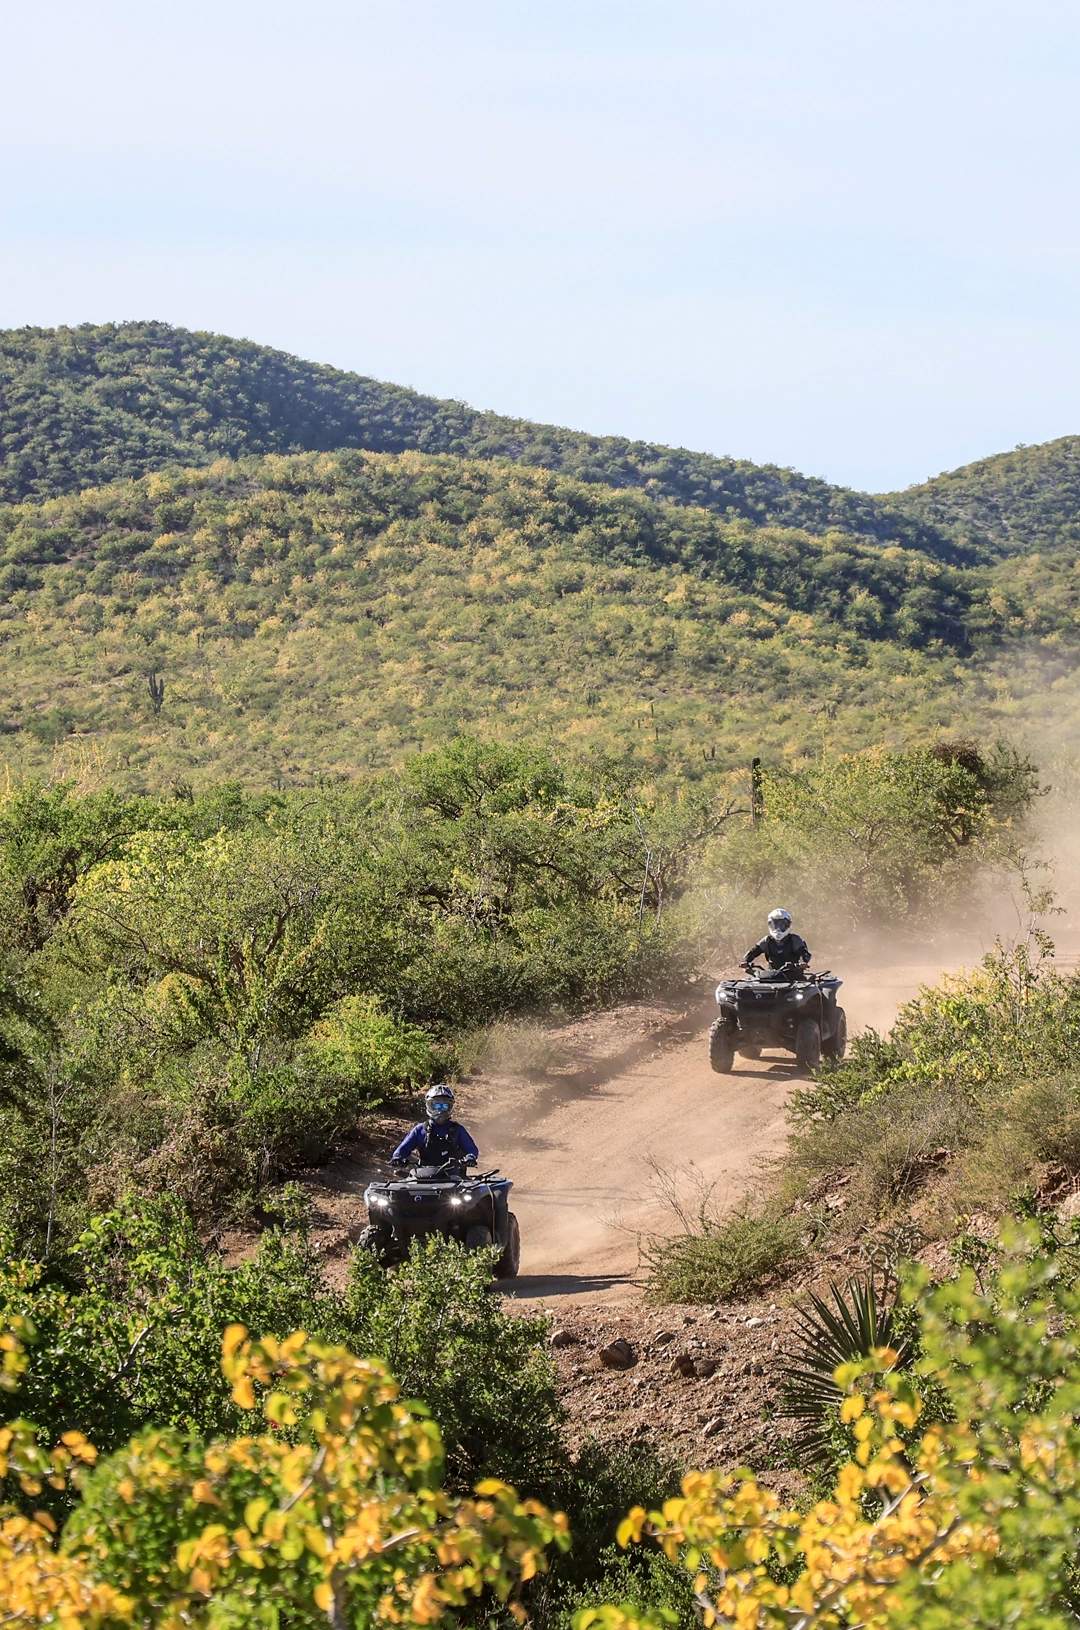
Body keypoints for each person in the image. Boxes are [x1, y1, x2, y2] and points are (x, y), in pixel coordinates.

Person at [391, 1084, 480, 1169]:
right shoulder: (420, 1130)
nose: (440, 1110)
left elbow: (472, 1149)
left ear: (450, 1107)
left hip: (454, 1177)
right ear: (429, 1106)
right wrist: (397, 1158)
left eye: (444, 1106)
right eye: (437, 1106)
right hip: (424, 1177)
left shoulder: (458, 1130)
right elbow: (403, 1149)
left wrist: (470, 1158)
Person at [744, 908, 811, 973]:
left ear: (788, 925)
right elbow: (753, 952)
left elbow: (804, 954)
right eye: (775, 925)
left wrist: (803, 963)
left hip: (795, 977)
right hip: (772, 976)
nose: (778, 928)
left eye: (782, 925)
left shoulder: (794, 940)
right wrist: (745, 961)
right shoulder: (767, 940)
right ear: (770, 925)